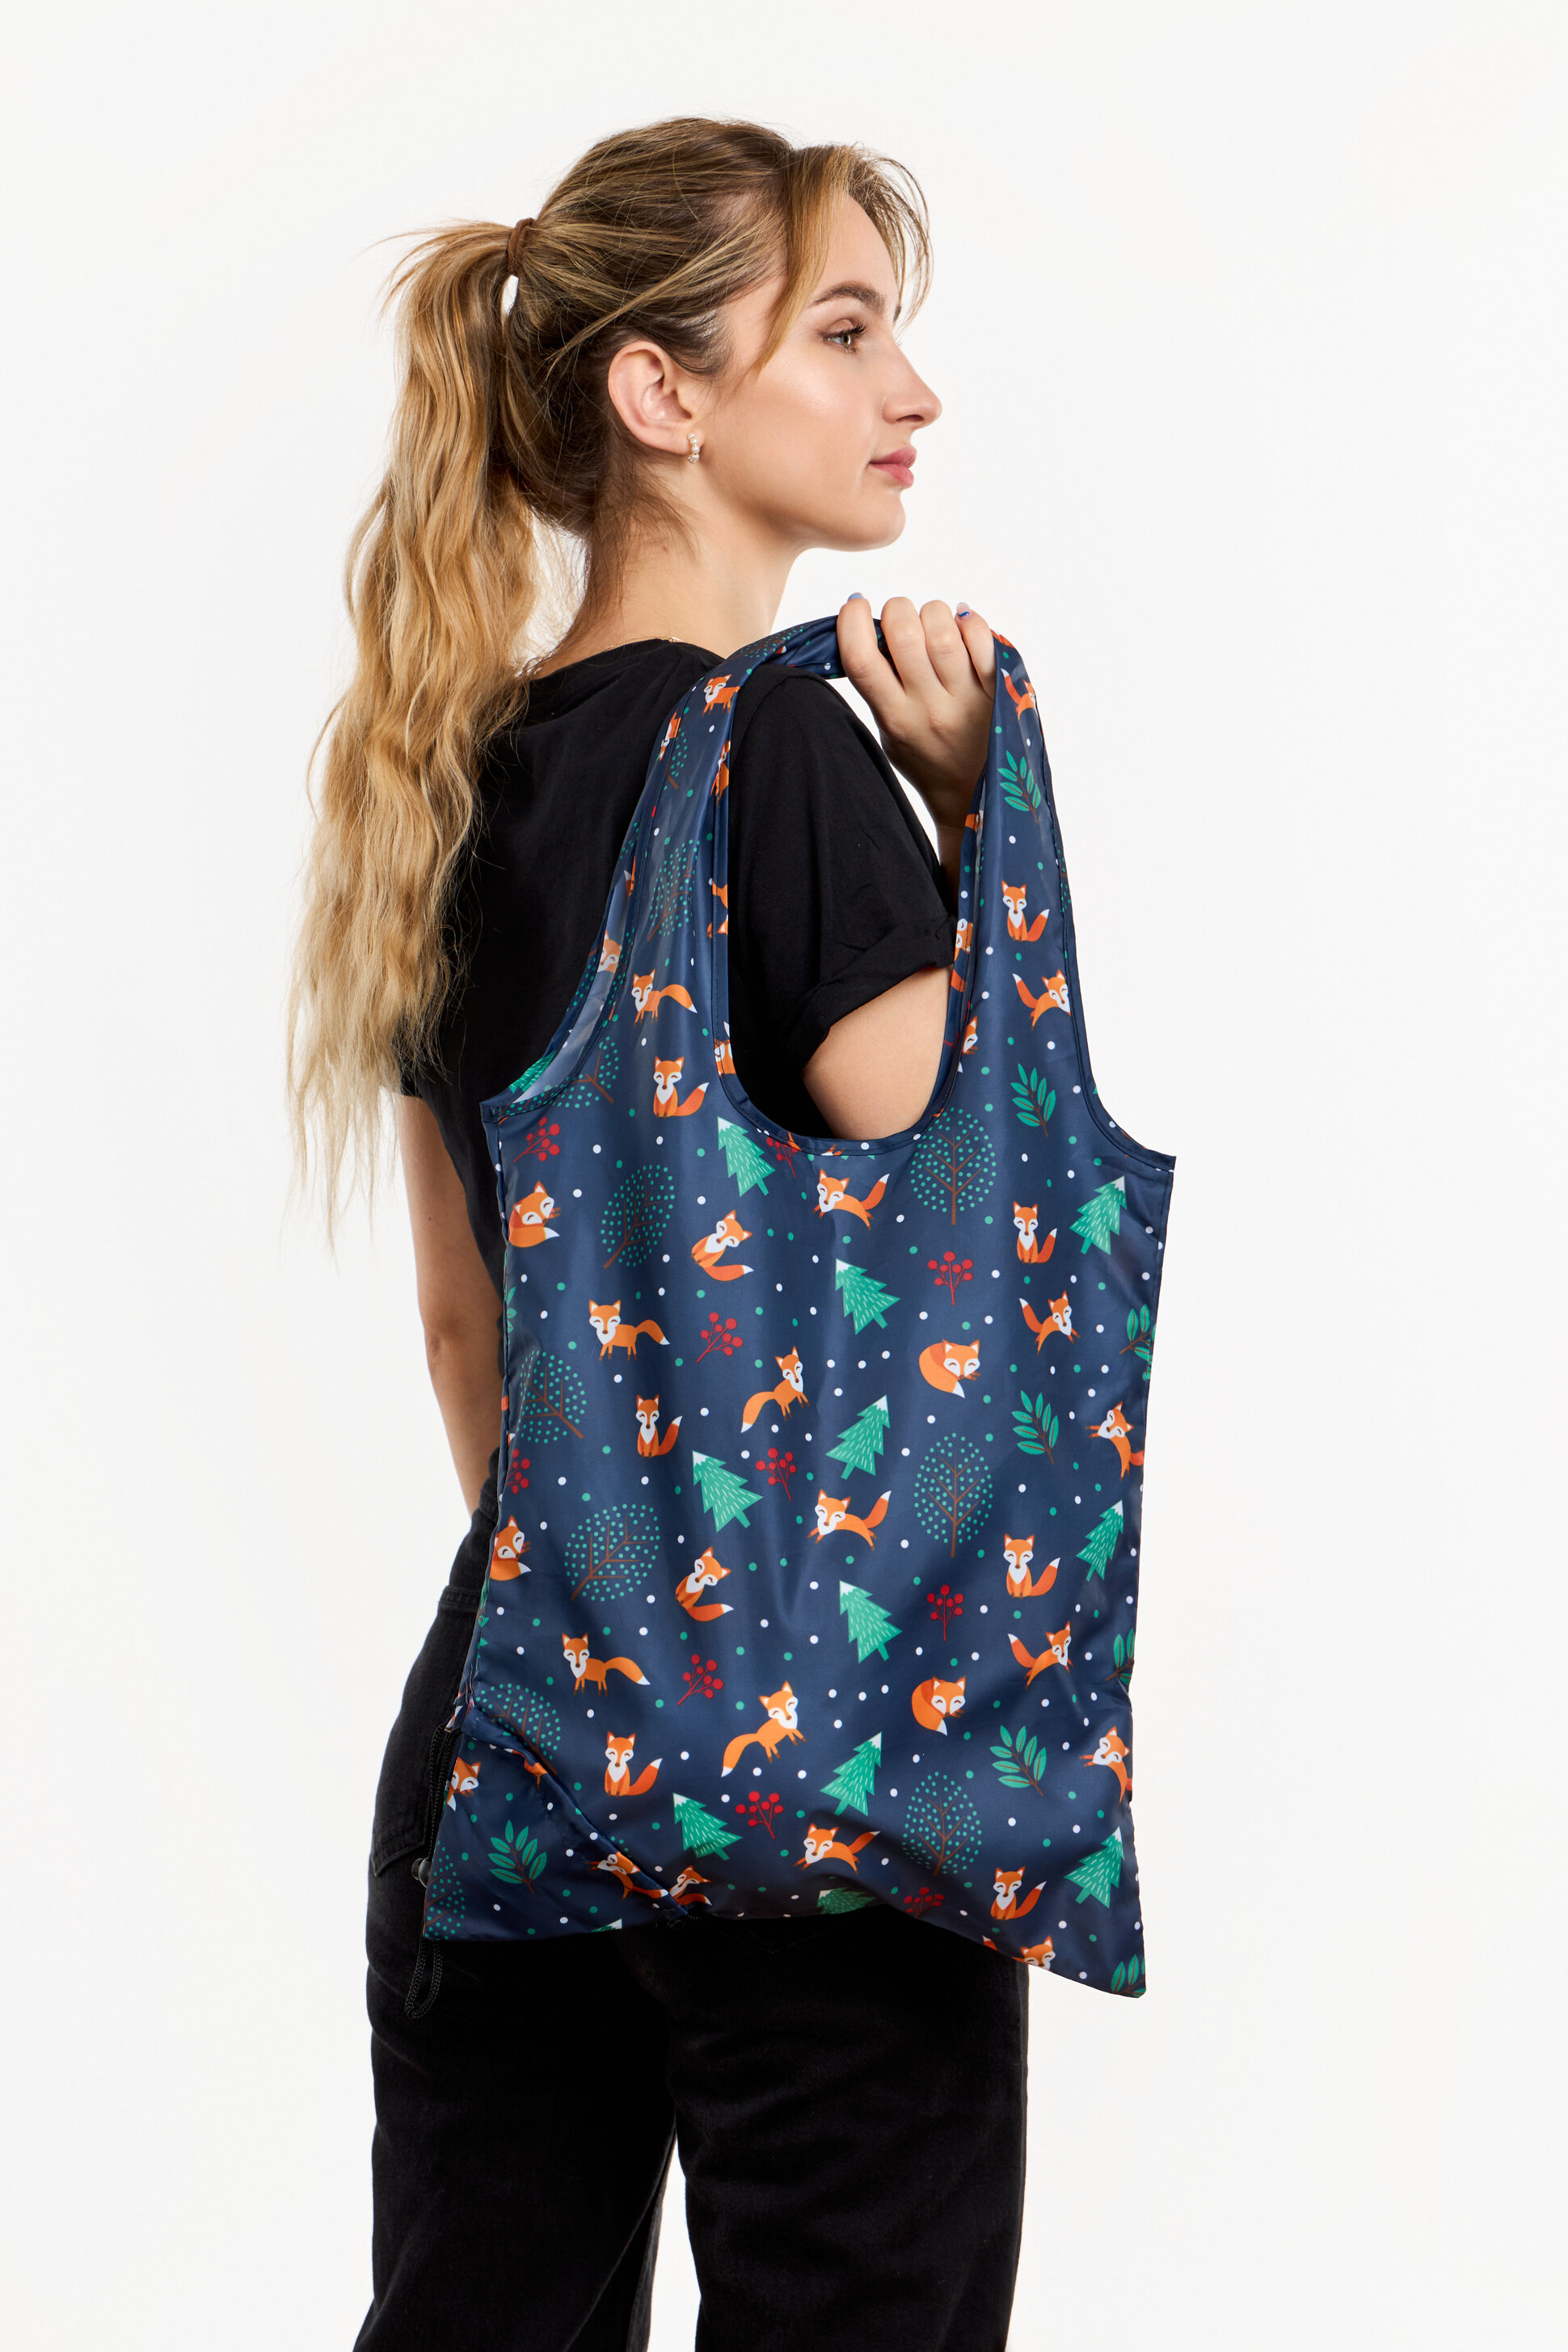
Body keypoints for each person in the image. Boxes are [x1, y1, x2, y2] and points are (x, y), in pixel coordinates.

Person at [287, 116, 1024, 2352]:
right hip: (809, 1752)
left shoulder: (442, 788)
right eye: (845, 329)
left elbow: (462, 1333)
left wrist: (603, 1642)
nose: (910, 389)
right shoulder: (781, 761)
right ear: (660, 393)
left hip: (503, 1725)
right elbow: (983, 1236)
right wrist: (978, 828)